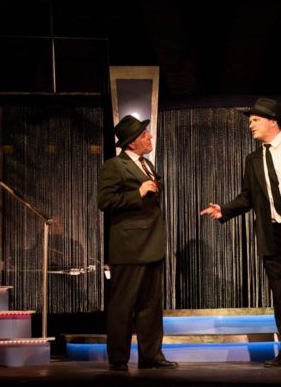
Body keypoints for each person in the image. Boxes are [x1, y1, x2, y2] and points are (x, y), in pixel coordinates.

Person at [200, 98, 281, 367]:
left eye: (255, 120)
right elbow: (248, 197)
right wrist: (224, 210)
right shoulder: (252, 159)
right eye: (250, 121)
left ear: (272, 120)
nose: (250, 125)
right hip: (273, 234)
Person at [97, 115, 178, 371]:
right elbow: (105, 201)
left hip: (151, 244)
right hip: (130, 247)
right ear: (131, 143)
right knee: (123, 305)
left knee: (150, 306)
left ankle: (151, 355)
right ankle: (119, 359)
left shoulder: (146, 164)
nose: (150, 137)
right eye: (144, 135)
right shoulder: (115, 166)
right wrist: (138, 192)